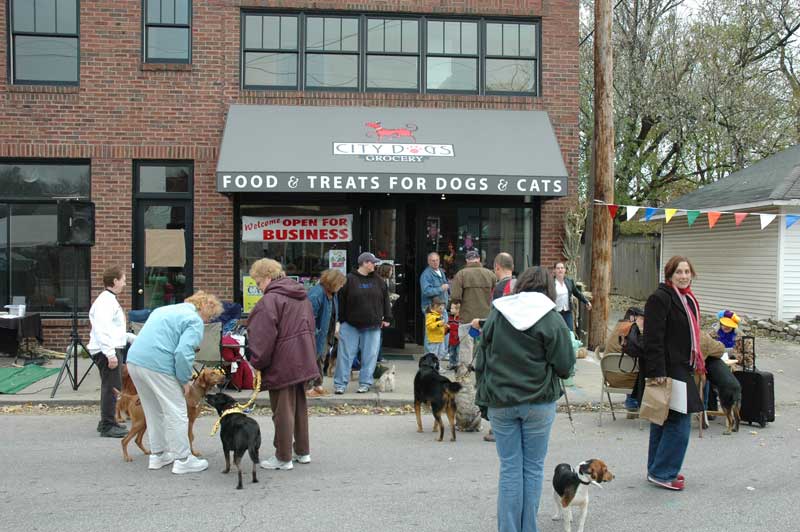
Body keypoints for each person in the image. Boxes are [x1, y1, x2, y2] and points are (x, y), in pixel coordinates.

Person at [474, 266, 575, 532]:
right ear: (549, 289)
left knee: (509, 468)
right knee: (532, 469)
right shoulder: (551, 319)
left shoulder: (498, 313)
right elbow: (565, 365)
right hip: (539, 401)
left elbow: (481, 357)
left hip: (501, 401)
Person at [126, 290, 223, 474]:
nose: (207, 322)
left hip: (134, 361)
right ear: (204, 308)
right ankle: (183, 459)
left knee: (153, 410)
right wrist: (184, 379)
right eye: (210, 317)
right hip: (158, 365)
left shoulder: (164, 310)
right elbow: (183, 353)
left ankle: (158, 455)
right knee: (177, 410)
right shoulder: (194, 320)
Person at [248, 259, 320, 470]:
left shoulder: (269, 301)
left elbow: (262, 337)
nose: (259, 288)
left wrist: (257, 363)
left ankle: (283, 456)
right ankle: (302, 451)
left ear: (268, 278)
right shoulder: (301, 296)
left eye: (259, 282)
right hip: (303, 358)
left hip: (282, 361)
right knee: (298, 407)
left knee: (282, 411)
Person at [641, 256, 705, 491]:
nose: (684, 276)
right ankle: (663, 472)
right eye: (679, 272)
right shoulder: (660, 298)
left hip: (682, 366)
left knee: (663, 419)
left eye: (687, 271)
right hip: (668, 368)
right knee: (679, 422)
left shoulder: (688, 299)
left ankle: (656, 469)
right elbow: (652, 338)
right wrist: (657, 370)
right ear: (669, 275)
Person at [334, 252, 392, 394]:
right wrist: (339, 321)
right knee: (345, 355)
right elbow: (340, 302)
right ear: (365, 263)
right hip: (350, 323)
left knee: (370, 356)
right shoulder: (348, 279)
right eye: (373, 262)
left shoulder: (379, 281)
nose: (375, 265)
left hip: (373, 325)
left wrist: (388, 318)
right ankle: (340, 384)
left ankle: (365, 383)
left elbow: (386, 301)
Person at [87, 265, 134, 438]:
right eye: (123, 279)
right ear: (115, 281)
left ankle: (107, 421)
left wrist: (129, 337)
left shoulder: (108, 300)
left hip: (109, 348)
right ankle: (108, 425)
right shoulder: (106, 301)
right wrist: (110, 353)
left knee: (112, 386)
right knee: (112, 388)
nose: (125, 283)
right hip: (106, 350)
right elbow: (102, 329)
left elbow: (112, 330)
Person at [450, 250, 496, 372]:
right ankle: (483, 376)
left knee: (466, 349)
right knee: (484, 348)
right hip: (485, 318)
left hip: (467, 318)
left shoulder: (461, 274)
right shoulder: (490, 274)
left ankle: (465, 380)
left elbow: (455, 297)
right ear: (479, 260)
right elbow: (495, 294)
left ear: (467, 261)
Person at [306, 269, 346, 397]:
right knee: (313, 359)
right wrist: (314, 333)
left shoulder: (332, 294)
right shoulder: (317, 294)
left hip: (326, 332)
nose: (342, 286)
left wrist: (336, 327)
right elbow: (308, 318)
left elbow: (333, 314)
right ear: (333, 283)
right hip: (316, 334)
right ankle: (307, 388)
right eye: (340, 283)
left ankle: (318, 385)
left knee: (321, 359)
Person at [420, 252, 449, 352]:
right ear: (428, 262)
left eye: (437, 260)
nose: (435, 262)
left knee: (442, 329)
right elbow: (426, 291)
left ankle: (441, 354)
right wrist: (441, 288)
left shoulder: (440, 271)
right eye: (433, 260)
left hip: (441, 307)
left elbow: (446, 287)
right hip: (431, 307)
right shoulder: (426, 275)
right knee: (432, 331)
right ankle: (430, 356)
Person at [552, 262, 591, 331]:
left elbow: (577, 293)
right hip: (556, 313)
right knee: (557, 332)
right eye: (558, 268)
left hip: (567, 312)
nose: (560, 270)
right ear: (554, 270)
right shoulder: (550, 282)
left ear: (565, 270)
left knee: (570, 332)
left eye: (562, 268)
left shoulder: (569, 281)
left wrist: (586, 301)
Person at [424, 297, 448, 364]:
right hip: (433, 340)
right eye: (441, 307)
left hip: (440, 339)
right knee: (433, 354)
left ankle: (437, 366)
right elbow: (429, 326)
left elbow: (440, 326)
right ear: (435, 306)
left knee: (441, 353)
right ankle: (432, 366)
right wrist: (439, 324)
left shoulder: (440, 315)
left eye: (443, 307)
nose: (443, 309)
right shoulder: (430, 316)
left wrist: (445, 327)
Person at [447, 302, 461, 370]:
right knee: (451, 352)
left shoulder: (460, 319)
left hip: (458, 339)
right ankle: (451, 363)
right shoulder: (450, 318)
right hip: (451, 339)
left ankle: (457, 364)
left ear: (458, 310)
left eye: (452, 308)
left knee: (458, 353)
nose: (450, 310)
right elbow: (448, 327)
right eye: (450, 308)